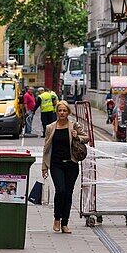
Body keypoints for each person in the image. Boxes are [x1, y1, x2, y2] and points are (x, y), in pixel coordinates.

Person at [41, 100, 86, 234]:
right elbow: (46, 148)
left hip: (71, 164)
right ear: (56, 112)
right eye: (60, 110)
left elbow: (87, 137)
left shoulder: (74, 126)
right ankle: (57, 218)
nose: (62, 113)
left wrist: (77, 136)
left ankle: (65, 223)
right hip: (56, 164)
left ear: (68, 112)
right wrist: (44, 166)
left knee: (68, 193)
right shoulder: (50, 127)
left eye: (64, 110)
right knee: (60, 190)